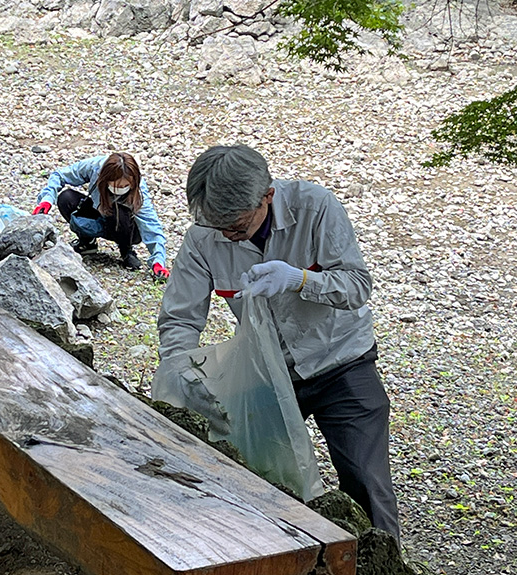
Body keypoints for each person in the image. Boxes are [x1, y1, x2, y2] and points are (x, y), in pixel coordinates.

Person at [153, 144, 399, 540]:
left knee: (366, 482)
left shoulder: (316, 208)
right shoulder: (204, 237)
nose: (228, 237)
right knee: (257, 476)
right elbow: (180, 316)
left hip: (341, 360)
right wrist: (182, 371)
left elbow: (357, 286)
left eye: (236, 226)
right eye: (220, 229)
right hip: (267, 370)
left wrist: (301, 280)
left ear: (267, 195)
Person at [32, 152, 170, 280]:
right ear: (105, 178)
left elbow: (152, 226)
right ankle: (87, 242)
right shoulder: (94, 167)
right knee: (66, 198)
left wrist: (158, 262)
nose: (120, 188)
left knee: (119, 213)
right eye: (115, 184)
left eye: (125, 185)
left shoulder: (140, 192)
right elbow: (59, 175)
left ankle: (126, 250)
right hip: (99, 211)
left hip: (125, 226)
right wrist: (47, 199)